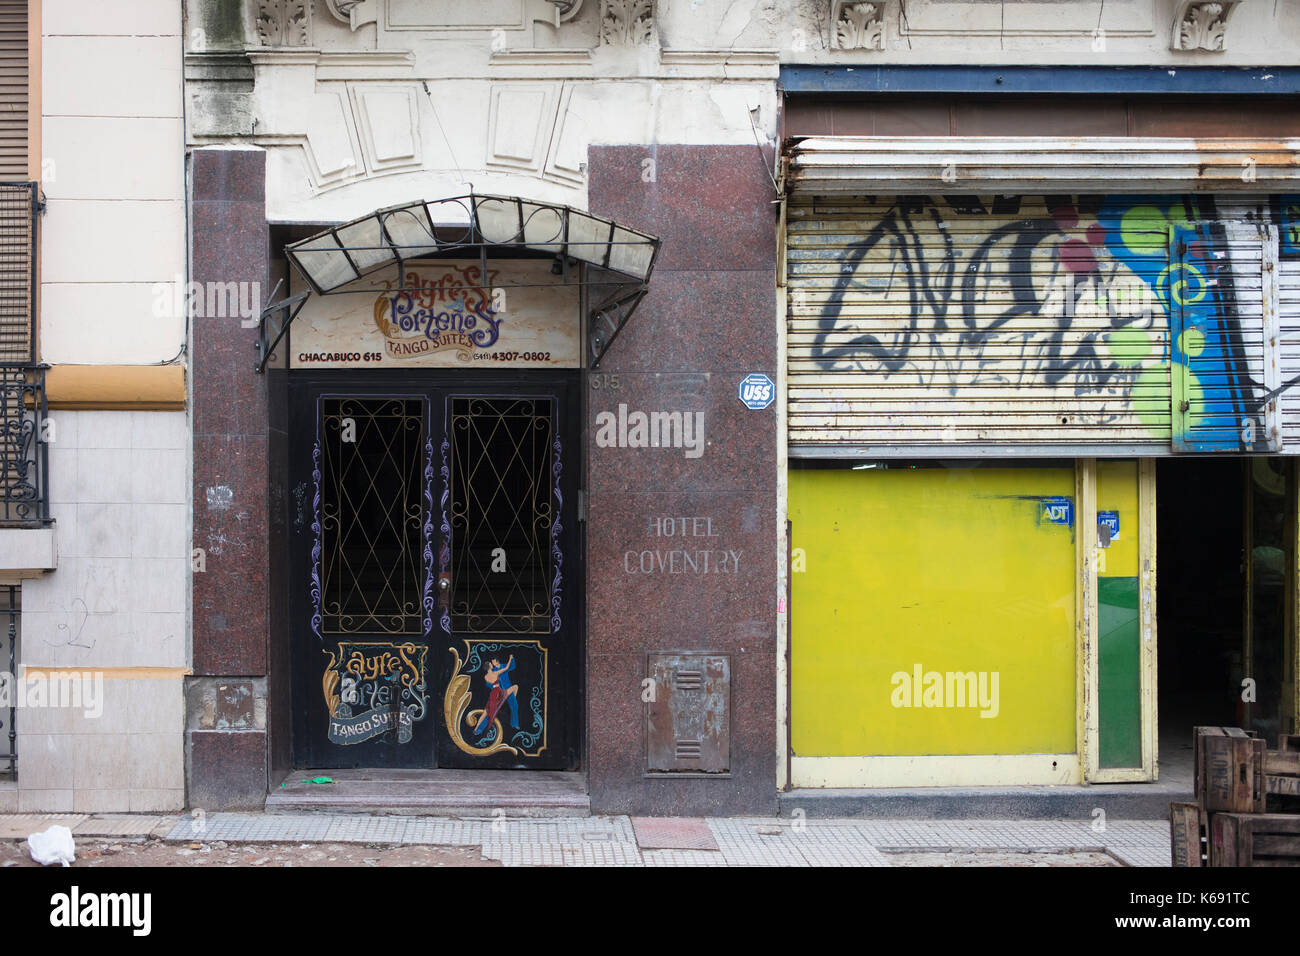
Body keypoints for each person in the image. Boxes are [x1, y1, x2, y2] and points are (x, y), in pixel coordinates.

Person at [474, 654, 519, 735]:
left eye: (493, 661)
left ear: (497, 660)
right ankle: (479, 729)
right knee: (491, 711)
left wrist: (512, 659)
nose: (492, 662)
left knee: (515, 705)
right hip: (500, 692)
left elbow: (512, 667)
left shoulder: (502, 666)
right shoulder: (494, 671)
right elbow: (488, 684)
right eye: (491, 662)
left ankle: (514, 723)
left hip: (506, 689)